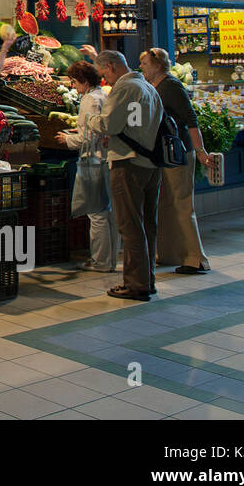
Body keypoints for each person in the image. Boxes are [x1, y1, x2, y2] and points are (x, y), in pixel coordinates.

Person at [86, 50, 163, 301]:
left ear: (110, 66)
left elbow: (110, 125)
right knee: (146, 224)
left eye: (104, 74)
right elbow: (138, 122)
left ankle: (135, 284)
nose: (104, 79)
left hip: (128, 162)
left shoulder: (125, 88)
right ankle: (146, 278)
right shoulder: (148, 87)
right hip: (150, 163)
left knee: (130, 225)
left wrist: (89, 119)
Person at [139, 48, 211, 274]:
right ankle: (169, 253)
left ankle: (196, 258)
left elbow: (190, 118)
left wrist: (199, 149)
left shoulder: (171, 85)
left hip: (178, 153)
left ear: (158, 65)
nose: (141, 67)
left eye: (144, 63)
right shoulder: (157, 85)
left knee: (181, 204)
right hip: (164, 153)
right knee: (166, 204)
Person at [60, 60, 118, 272]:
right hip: (107, 158)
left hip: (93, 159)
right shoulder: (104, 94)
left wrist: (66, 140)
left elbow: (89, 136)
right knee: (108, 211)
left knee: (96, 213)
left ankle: (100, 261)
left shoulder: (89, 100)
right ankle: (110, 259)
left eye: (75, 82)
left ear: (83, 81)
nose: (74, 86)